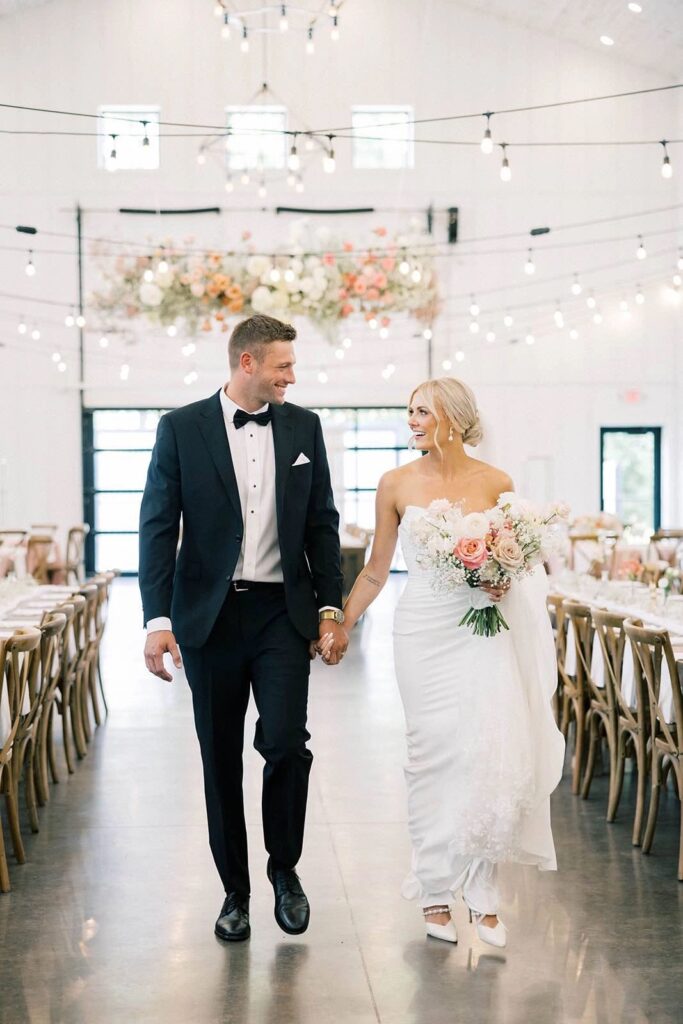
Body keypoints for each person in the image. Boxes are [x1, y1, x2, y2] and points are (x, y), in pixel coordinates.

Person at [139, 314, 348, 943]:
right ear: (247, 363)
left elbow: (322, 525)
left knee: (285, 742)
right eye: (284, 366)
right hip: (209, 617)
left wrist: (331, 609)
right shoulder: (181, 428)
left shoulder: (305, 426)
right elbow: (157, 526)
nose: (292, 377)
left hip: (282, 614)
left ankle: (284, 869)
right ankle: (236, 891)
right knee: (219, 756)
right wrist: (157, 618)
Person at [340, 377, 565, 947]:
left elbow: (521, 565)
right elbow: (375, 571)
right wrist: (342, 623)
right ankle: (434, 889)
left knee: (485, 752)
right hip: (421, 631)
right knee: (431, 756)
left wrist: (501, 581)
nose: (412, 420)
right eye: (410, 411)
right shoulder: (395, 483)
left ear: (456, 419)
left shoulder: (497, 482)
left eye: (422, 411)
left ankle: (483, 892)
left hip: (481, 630)